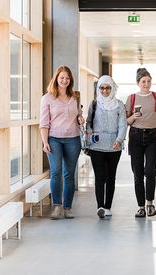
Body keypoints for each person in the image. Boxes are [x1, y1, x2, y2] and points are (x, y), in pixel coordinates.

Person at [40, 65, 84, 220]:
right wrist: (45, 142)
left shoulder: (75, 97)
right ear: (56, 79)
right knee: (56, 172)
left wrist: (80, 118)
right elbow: (44, 123)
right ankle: (57, 206)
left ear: (70, 80)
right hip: (54, 139)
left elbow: (78, 114)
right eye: (62, 78)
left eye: (67, 78)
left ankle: (68, 207)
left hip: (73, 139)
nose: (64, 80)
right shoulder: (47, 98)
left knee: (69, 174)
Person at [126, 68, 156, 218]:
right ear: (138, 83)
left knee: (150, 171)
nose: (146, 84)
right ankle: (141, 207)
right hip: (135, 137)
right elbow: (125, 122)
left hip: (153, 137)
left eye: (149, 81)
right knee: (138, 173)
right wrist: (133, 117)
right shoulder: (131, 98)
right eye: (143, 81)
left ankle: (150, 204)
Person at [86, 75, 127, 219]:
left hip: (114, 147)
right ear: (98, 89)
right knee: (99, 177)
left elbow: (123, 124)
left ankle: (108, 206)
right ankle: (100, 207)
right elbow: (88, 123)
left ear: (112, 88)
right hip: (96, 146)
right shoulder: (94, 104)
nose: (104, 91)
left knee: (110, 178)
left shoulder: (119, 105)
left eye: (107, 88)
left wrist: (119, 139)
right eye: (102, 88)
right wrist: (90, 134)